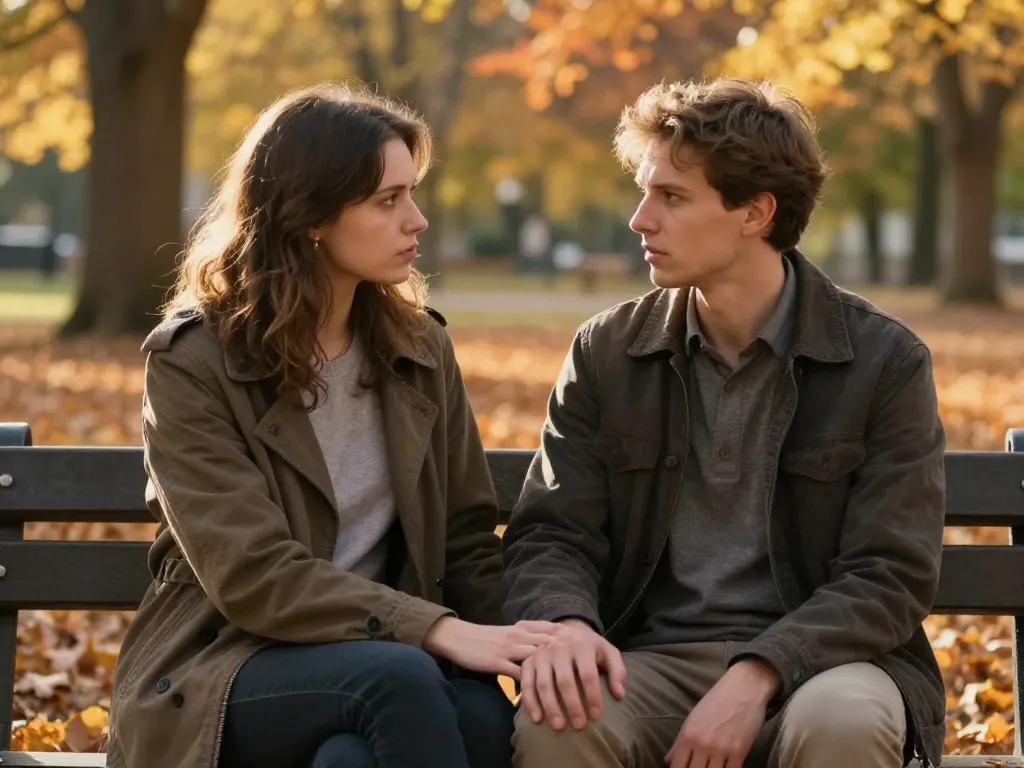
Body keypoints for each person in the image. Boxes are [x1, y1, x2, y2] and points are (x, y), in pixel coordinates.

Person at [106, 83, 558, 768]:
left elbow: (466, 540)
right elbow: (254, 574)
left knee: (464, 720)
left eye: (413, 193)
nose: (418, 221)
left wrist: (557, 638)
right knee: (399, 681)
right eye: (388, 200)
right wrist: (436, 631)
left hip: (384, 669)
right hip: (225, 668)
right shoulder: (194, 362)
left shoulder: (418, 348)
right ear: (311, 215)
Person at [502, 78, 947, 768]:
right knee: (556, 721)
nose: (640, 220)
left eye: (672, 198)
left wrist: (758, 672)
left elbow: (888, 574)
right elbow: (552, 531)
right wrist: (566, 625)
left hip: (826, 665)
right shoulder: (608, 351)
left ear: (755, 213)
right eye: (643, 191)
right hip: (651, 660)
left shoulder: (882, 361)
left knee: (844, 722)